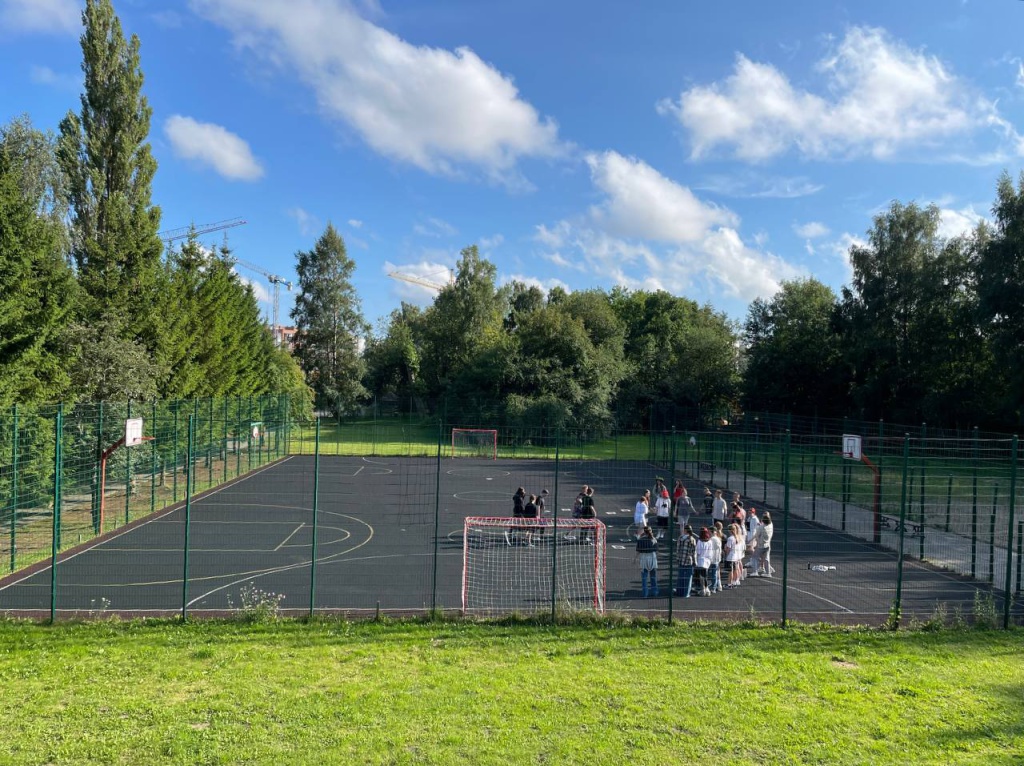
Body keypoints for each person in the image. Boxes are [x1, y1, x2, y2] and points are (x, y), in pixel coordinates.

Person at [635, 526, 659, 597]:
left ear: (644, 532)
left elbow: (638, 551)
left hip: (644, 559)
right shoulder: (654, 539)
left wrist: (635, 559)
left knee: (644, 578)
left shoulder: (640, 540)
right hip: (652, 558)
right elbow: (657, 551)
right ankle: (654, 592)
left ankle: (645, 593)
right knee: (653, 577)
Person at [676, 524, 697, 597]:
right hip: (688, 560)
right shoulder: (692, 539)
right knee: (688, 578)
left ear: (685, 530)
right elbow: (693, 552)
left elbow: (677, 549)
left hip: (681, 559)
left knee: (680, 577)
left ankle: (679, 592)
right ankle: (686, 593)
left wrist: (677, 558)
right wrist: (695, 561)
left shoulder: (680, 538)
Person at [751, 512, 774, 577]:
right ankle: (768, 572)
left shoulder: (761, 527)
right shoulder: (771, 524)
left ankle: (755, 571)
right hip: (768, 544)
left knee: (754, 557)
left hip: (761, 545)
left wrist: (753, 541)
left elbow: (757, 535)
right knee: (766, 558)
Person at [724, 523, 745, 588]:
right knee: (735, 570)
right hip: (736, 557)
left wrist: (726, 555)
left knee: (730, 572)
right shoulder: (738, 537)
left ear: (730, 530)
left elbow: (728, 549)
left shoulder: (730, 538)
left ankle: (729, 584)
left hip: (730, 557)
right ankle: (734, 582)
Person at [695, 527, 713, 597]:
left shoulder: (699, 541)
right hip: (707, 561)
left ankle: (703, 590)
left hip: (700, 561)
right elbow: (710, 552)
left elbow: (698, 552)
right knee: (705, 576)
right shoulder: (710, 542)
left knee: (701, 577)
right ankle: (707, 590)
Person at [709, 522, 723, 593]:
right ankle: (718, 585)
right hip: (717, 558)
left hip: (713, 559)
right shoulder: (718, 539)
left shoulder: (712, 539)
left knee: (713, 573)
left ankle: (713, 587)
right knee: (717, 572)